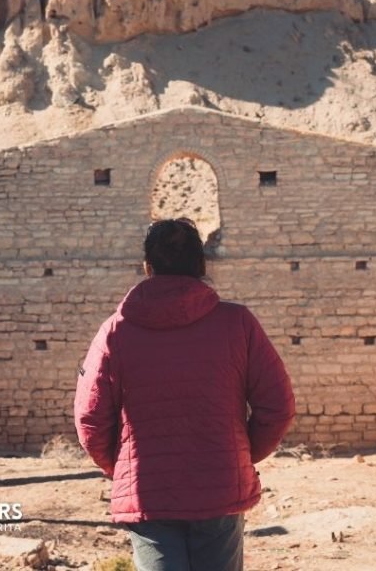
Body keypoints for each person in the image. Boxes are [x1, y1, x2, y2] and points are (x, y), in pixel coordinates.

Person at [74, 218, 296, 571]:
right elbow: (278, 406)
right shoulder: (237, 324)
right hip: (220, 487)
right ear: (201, 266)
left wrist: (119, 467)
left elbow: (90, 418)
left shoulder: (115, 332)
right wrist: (238, 454)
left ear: (148, 267)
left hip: (149, 493)